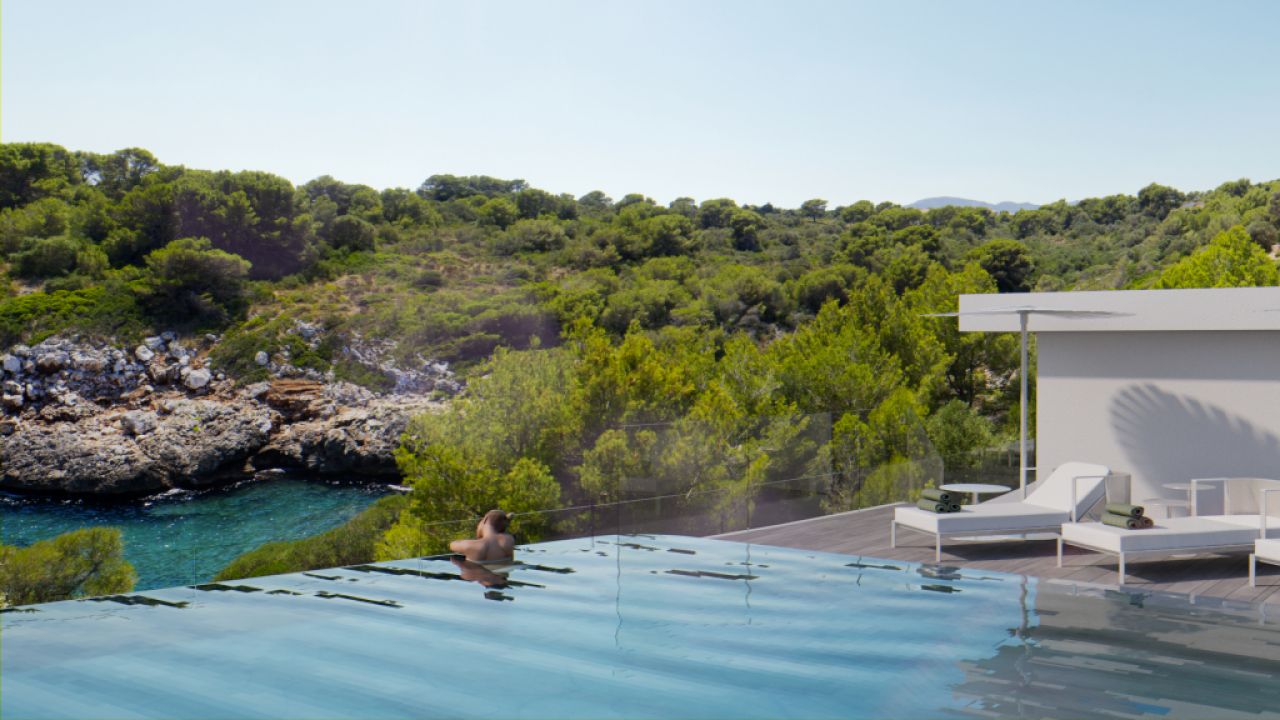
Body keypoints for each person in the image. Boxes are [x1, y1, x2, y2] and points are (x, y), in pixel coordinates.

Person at [449, 509, 515, 564]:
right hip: (501, 574)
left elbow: (452, 545)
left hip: (480, 574)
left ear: (485, 520)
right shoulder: (508, 540)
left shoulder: (471, 546)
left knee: (454, 560)